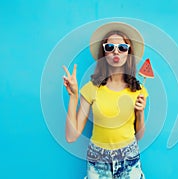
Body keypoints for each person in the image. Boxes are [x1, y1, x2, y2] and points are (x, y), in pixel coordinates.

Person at [62, 22, 148, 179]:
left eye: (122, 48)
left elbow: (140, 136)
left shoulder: (139, 89)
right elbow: (71, 137)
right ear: (104, 53)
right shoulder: (91, 88)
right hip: (98, 160)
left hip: (129, 158)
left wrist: (140, 113)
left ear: (128, 53)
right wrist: (73, 96)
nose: (116, 52)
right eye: (110, 47)